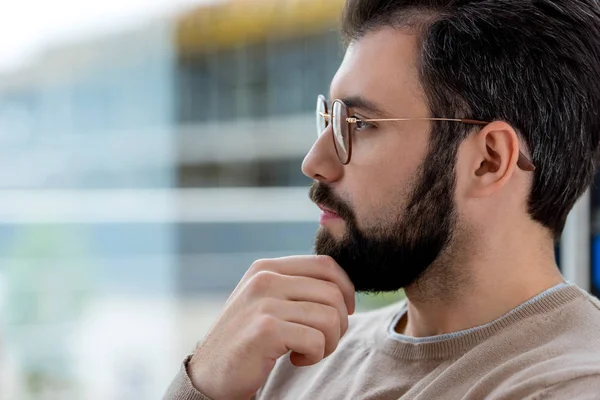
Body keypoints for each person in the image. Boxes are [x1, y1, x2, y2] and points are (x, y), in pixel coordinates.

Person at [164, 0, 600, 398]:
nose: (315, 161)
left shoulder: (571, 384)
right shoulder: (290, 355)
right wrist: (204, 381)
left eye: (360, 123)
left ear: (488, 160)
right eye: (329, 119)